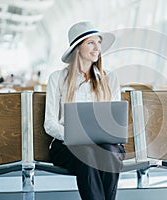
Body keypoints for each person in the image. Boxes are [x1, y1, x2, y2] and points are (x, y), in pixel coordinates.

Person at [44, 21, 125, 200]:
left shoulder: (109, 78)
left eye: (99, 42)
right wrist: (76, 136)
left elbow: (114, 120)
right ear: (77, 48)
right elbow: (50, 124)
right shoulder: (57, 78)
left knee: (109, 152)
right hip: (67, 146)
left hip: (103, 144)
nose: (97, 48)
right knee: (87, 152)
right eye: (91, 43)